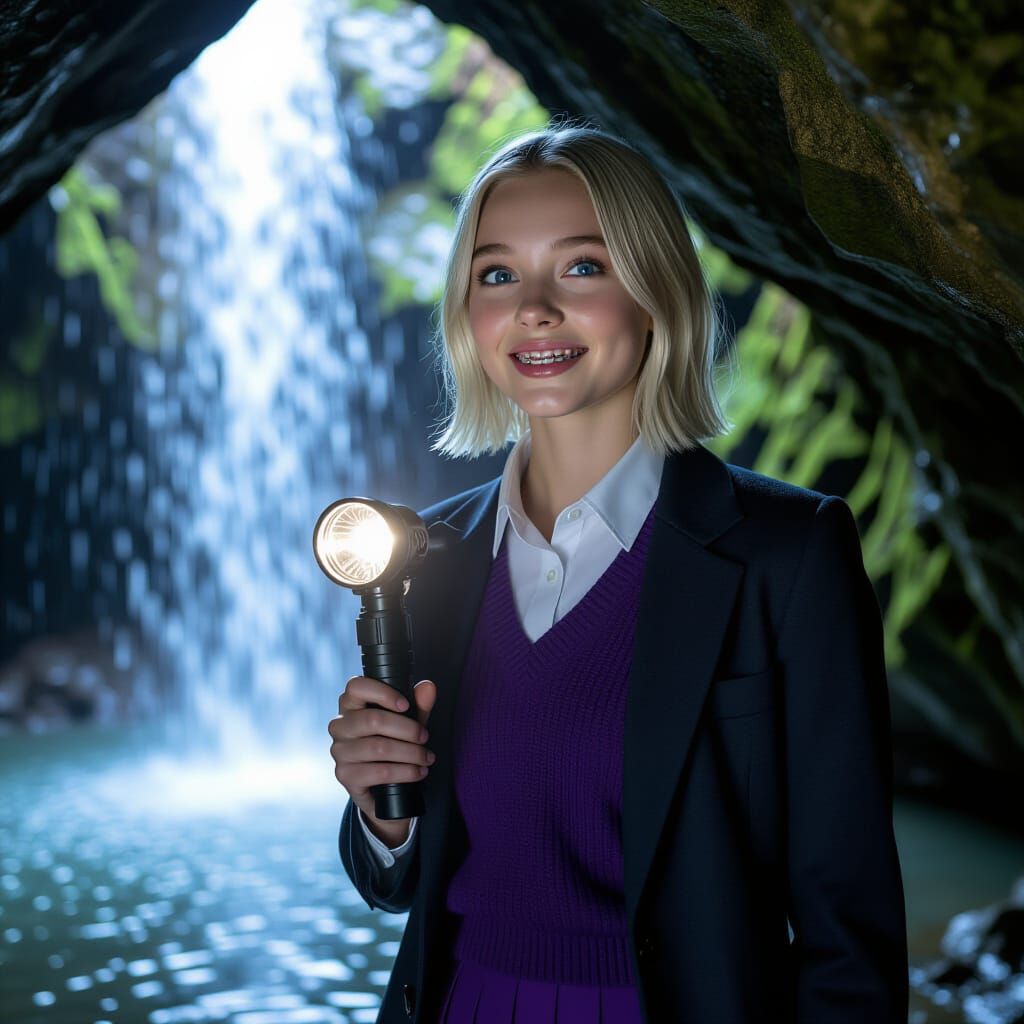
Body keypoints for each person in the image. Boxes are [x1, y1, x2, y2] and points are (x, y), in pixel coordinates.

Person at [327, 120, 908, 1024]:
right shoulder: (425, 559)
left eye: (582, 266)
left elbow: (851, 931)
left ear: (655, 292)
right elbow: (397, 885)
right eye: (496, 274)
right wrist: (383, 817)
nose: (534, 308)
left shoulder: (790, 555)